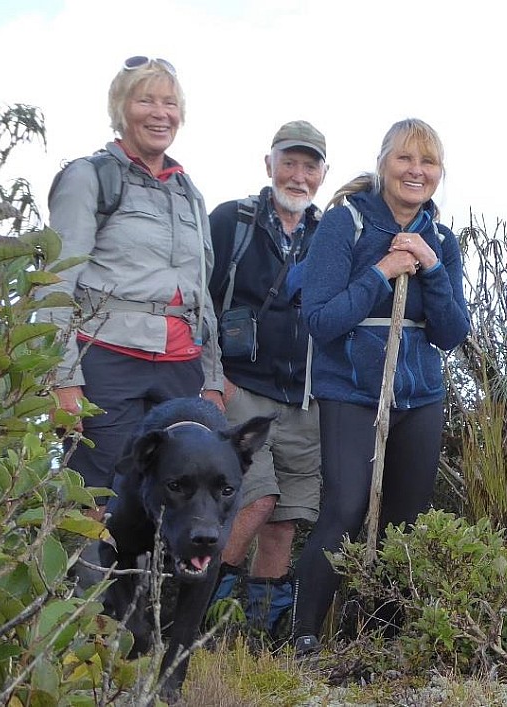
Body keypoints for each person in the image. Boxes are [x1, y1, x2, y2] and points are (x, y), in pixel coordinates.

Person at [290, 118, 470, 654]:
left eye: (428, 161)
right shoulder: (344, 223)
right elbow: (320, 319)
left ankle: (380, 640)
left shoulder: (442, 240)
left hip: (421, 395)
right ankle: (303, 636)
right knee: (345, 508)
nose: (416, 171)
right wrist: (383, 270)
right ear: (383, 163)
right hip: (350, 390)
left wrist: (431, 268)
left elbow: (451, 333)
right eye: (404, 158)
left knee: (405, 521)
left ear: (439, 172)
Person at [42, 56, 224, 515]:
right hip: (108, 359)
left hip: (181, 368)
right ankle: (84, 567)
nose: (160, 113)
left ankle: (148, 568)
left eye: (170, 103)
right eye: (146, 100)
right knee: (96, 492)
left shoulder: (190, 192)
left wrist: (213, 380)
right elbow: (55, 281)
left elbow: (201, 294)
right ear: (121, 108)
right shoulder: (89, 177)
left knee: (175, 495)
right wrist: (63, 380)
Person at [202, 121, 328, 635]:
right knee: (255, 503)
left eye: (309, 166)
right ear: (269, 164)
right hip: (240, 392)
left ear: (323, 174)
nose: (298, 175)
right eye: (289, 162)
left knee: (284, 523)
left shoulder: (331, 234)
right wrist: (214, 380)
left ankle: (258, 639)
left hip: (304, 401)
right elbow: (199, 305)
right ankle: (197, 617)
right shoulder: (230, 221)